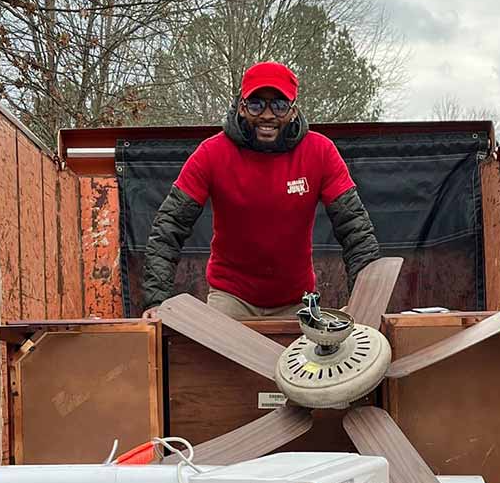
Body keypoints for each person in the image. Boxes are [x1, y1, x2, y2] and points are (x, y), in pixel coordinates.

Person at [141, 61, 380, 319]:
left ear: (293, 110)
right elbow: (169, 226)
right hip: (230, 298)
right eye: (256, 104)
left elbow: (355, 229)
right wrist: (157, 301)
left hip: (296, 302)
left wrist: (364, 304)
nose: (267, 115)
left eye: (278, 105)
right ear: (242, 107)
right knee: (214, 358)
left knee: (304, 360)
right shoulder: (211, 154)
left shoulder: (321, 152)